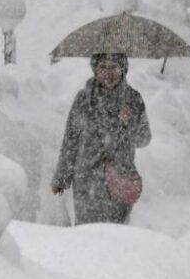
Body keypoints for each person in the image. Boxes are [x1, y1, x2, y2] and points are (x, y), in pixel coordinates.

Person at [51, 53, 151, 225]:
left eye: (113, 67)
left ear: (123, 69)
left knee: (116, 237)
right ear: (95, 69)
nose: (108, 72)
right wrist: (61, 178)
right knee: (87, 236)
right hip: (87, 181)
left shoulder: (133, 99)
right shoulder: (83, 99)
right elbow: (70, 140)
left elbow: (144, 138)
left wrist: (128, 124)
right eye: (102, 67)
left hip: (120, 178)